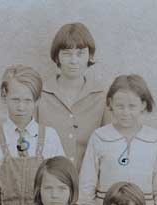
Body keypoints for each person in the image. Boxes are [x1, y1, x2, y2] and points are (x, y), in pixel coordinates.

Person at [78, 74, 157, 205]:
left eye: (132, 106)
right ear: (110, 103)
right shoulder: (100, 137)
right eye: (120, 106)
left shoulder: (155, 139)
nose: (126, 112)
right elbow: (87, 181)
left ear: (143, 104)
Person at [0, 65, 65, 205]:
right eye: (15, 100)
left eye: (27, 100)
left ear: (37, 100)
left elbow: (61, 181)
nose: (21, 107)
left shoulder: (50, 137)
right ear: (3, 96)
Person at [37, 22, 108, 172]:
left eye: (80, 53)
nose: (74, 60)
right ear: (57, 56)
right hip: (50, 184)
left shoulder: (102, 96)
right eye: (67, 53)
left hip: (88, 184)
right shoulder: (40, 94)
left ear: (90, 55)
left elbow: (108, 145)